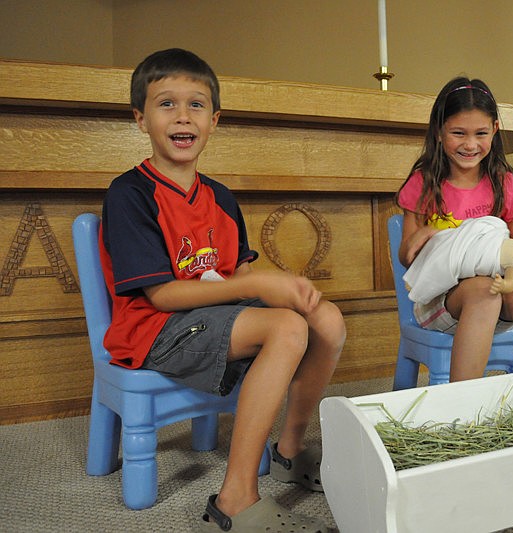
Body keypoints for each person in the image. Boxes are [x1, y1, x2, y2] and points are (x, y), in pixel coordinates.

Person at [101, 48, 345, 532]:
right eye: (165, 103)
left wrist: (277, 285)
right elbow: (163, 297)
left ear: (213, 121)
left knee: (326, 320)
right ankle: (234, 499)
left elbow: (234, 278)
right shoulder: (130, 194)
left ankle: (288, 451)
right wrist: (257, 286)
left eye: (196, 105)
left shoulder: (220, 197)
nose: (182, 115)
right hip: (154, 330)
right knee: (286, 330)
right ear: (140, 118)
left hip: (211, 316)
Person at [396, 76, 513, 380]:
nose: (470, 144)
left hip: (500, 295)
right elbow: (407, 258)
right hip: (440, 302)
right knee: (484, 291)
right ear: (439, 130)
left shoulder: (504, 183)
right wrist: (422, 236)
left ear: (494, 130)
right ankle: (466, 402)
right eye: (458, 133)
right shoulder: (425, 182)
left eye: (481, 133)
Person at [402, 215, 513, 305]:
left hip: (475, 256)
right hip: (480, 241)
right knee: (447, 242)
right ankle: (419, 274)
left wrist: (503, 285)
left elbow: (510, 282)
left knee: (450, 261)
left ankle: (419, 283)